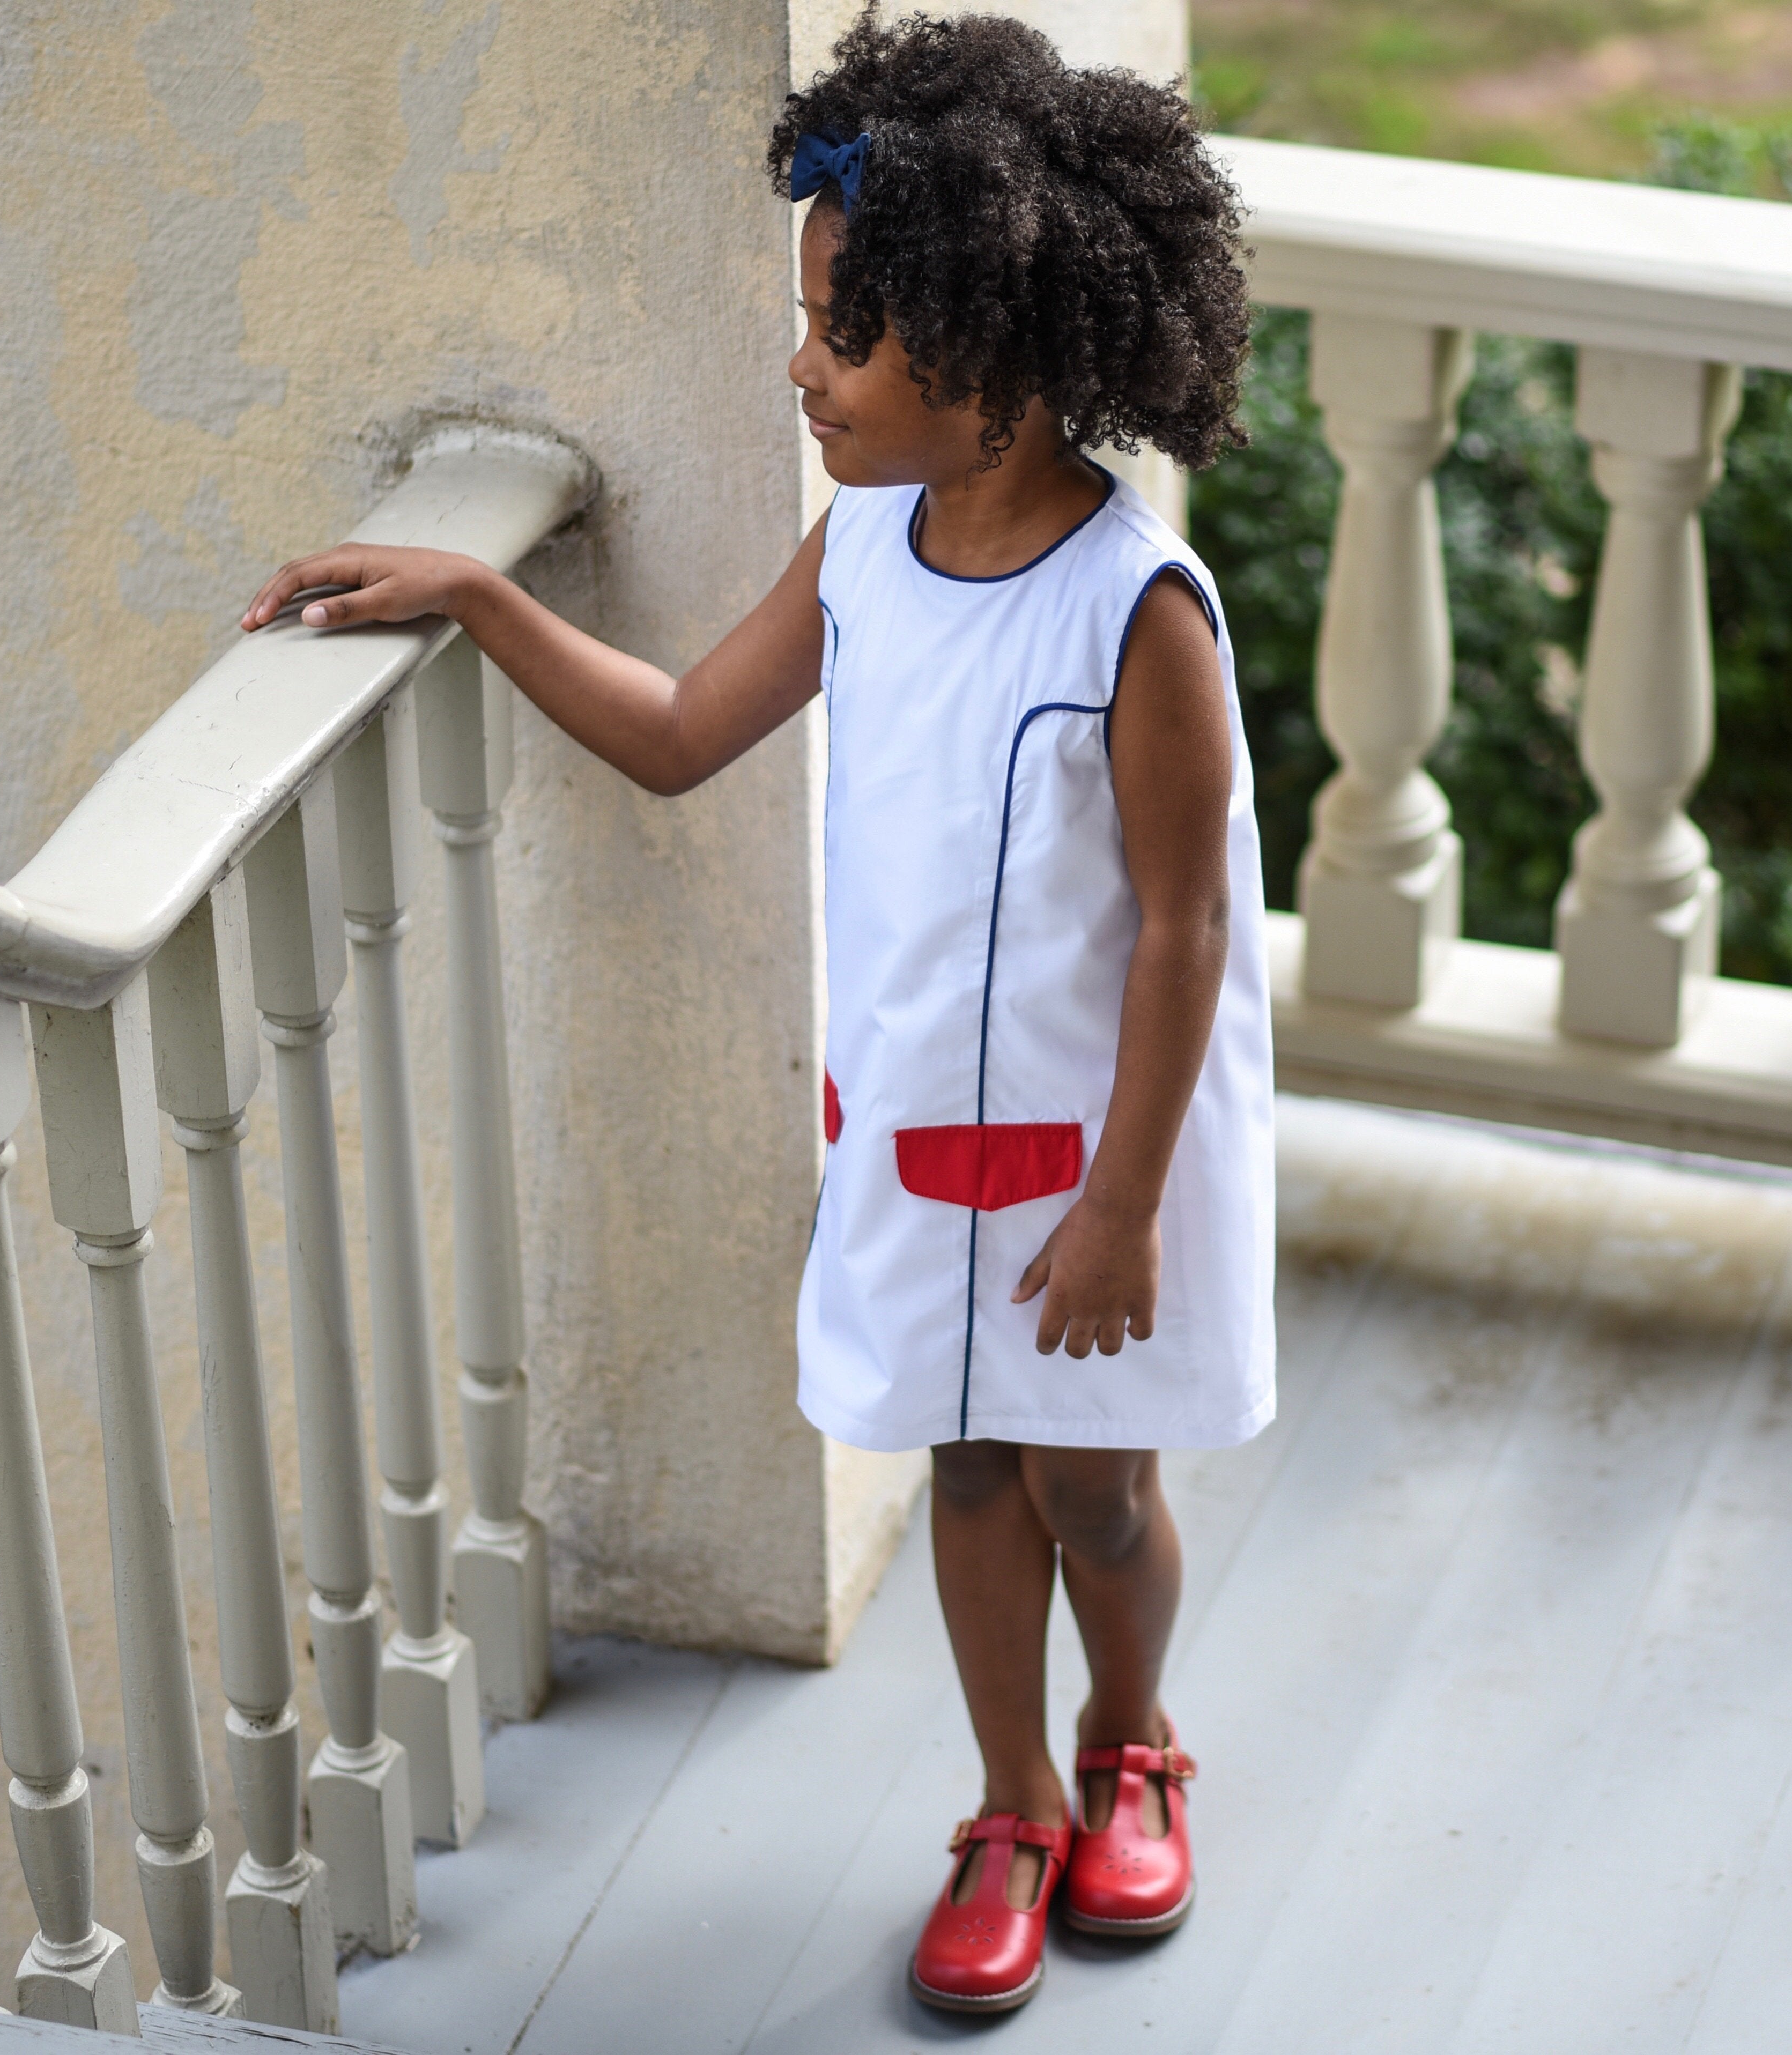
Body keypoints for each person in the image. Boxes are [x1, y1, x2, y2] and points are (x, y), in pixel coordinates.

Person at [241, 8, 1271, 2016]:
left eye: (837, 335)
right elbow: (683, 730)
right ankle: (1004, 1800)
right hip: (909, 1124)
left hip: (1097, 1160)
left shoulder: (1135, 615)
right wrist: (471, 596)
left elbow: (1177, 930)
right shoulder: (864, 546)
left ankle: (1129, 1740)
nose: (799, 368)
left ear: (976, 363)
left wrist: (1129, 1202)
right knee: (967, 1466)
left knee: (1091, 1478)